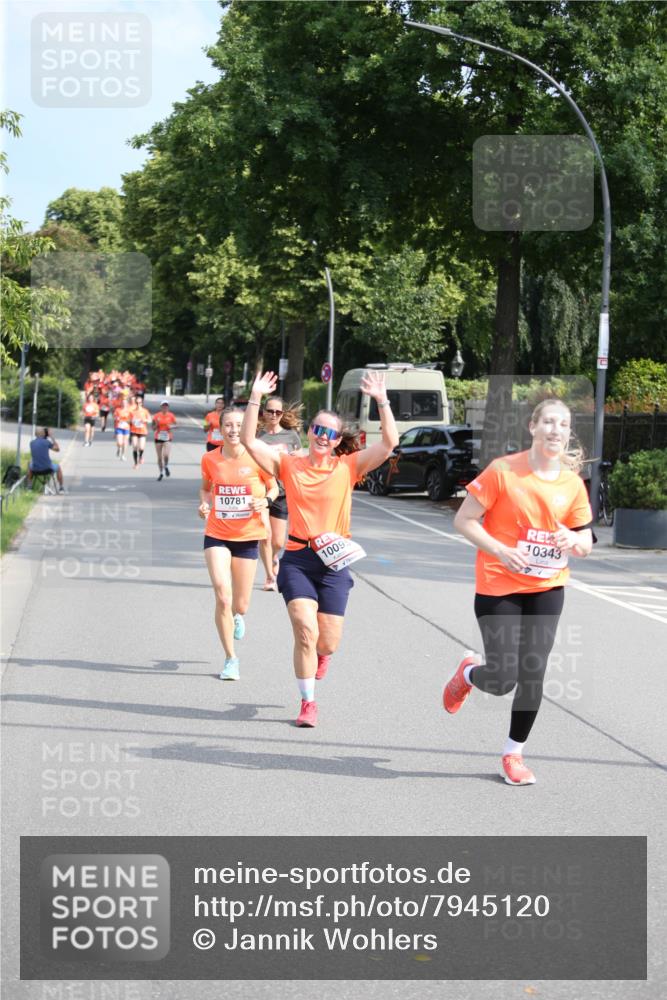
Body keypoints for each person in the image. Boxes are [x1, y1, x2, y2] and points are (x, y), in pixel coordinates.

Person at [446, 398, 593, 786]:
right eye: (548, 421)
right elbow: (464, 520)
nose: (555, 429)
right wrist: (500, 550)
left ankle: (513, 754)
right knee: (503, 677)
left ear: (568, 433)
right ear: (533, 427)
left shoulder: (571, 483)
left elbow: (585, 540)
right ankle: (470, 674)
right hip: (499, 584)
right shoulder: (503, 471)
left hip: (547, 586)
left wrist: (573, 540)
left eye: (562, 424)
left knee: (533, 673)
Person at [240, 369, 399, 728]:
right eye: (318, 430)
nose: (323, 437)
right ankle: (308, 702)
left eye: (331, 433)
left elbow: (389, 443)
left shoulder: (348, 467)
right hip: (297, 559)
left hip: (334, 562)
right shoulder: (288, 464)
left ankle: (322, 656)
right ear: (310, 431)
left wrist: (382, 401)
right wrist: (255, 397)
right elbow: (250, 440)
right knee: (303, 630)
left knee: (327, 642)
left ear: (337, 438)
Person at [199, 407, 279, 680]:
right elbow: (206, 488)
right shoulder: (210, 459)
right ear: (220, 428)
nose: (234, 430)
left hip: (247, 536)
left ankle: (238, 615)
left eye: (239, 425)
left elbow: (274, 487)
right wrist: (204, 504)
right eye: (229, 425)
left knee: (240, 604)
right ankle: (231, 658)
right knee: (223, 594)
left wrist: (265, 501)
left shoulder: (257, 457)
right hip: (217, 533)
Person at [257, 396, 303, 590]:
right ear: (264, 412)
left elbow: (301, 459)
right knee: (265, 536)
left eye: (278, 412)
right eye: (270, 411)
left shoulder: (291, 436)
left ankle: (274, 555)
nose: (274, 415)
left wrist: (298, 457)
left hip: (283, 492)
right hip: (262, 491)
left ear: (282, 414)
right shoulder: (257, 436)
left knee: (277, 540)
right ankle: (269, 577)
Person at [28, 428, 65, 492]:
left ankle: (29, 487)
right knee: (58, 467)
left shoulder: (31, 443)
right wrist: (52, 437)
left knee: (29, 464)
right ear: (44, 434)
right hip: (47, 468)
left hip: (35, 469)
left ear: (35, 434)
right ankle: (61, 488)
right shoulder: (46, 442)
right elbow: (57, 449)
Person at [153, 401, 177, 481]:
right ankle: (161, 473)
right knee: (159, 457)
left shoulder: (171, 416)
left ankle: (166, 466)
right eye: (163, 406)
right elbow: (153, 428)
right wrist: (156, 425)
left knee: (166, 455)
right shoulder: (156, 416)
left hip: (167, 437)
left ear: (168, 407)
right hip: (158, 437)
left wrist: (171, 427)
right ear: (161, 407)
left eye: (166, 406)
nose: (165, 407)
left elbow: (176, 425)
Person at [129, 393, 151, 468]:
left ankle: (141, 456)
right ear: (135, 403)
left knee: (141, 447)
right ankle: (136, 463)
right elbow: (129, 420)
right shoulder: (132, 411)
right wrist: (131, 421)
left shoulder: (145, 411)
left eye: (140, 402)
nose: (138, 404)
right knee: (135, 447)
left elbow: (150, 420)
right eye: (137, 402)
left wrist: (145, 420)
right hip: (134, 431)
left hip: (142, 431)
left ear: (142, 403)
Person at [113, 392, 132, 461]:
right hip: (119, 427)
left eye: (125, 403)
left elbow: (132, 419)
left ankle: (123, 455)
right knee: (119, 442)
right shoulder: (118, 410)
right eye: (123, 403)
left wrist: (128, 421)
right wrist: (117, 419)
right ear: (121, 403)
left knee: (125, 442)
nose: (124, 404)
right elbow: (114, 418)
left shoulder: (129, 410)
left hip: (126, 428)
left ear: (127, 404)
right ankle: (118, 448)